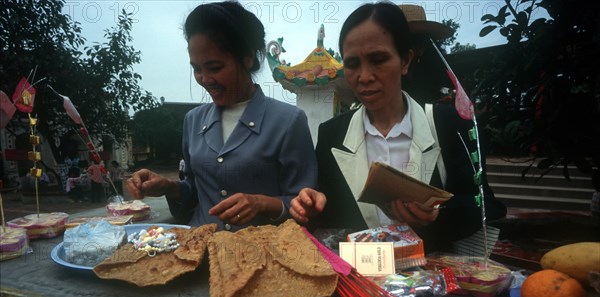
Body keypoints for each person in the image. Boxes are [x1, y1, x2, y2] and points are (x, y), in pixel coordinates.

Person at [290, 2, 506, 252]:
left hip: (434, 284)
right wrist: (310, 205)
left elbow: (487, 204)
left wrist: (438, 214)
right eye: (352, 64)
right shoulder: (332, 135)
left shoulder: (449, 123)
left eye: (378, 59)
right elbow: (328, 211)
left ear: (405, 61)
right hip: (359, 285)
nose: (364, 76)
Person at [126, 1, 317, 231]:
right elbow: (197, 191)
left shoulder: (288, 121)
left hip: (263, 257)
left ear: (247, 57)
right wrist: (169, 187)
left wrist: (263, 204)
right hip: (200, 252)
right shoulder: (193, 121)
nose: (205, 79)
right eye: (197, 69)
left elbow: (306, 206)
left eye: (214, 67)